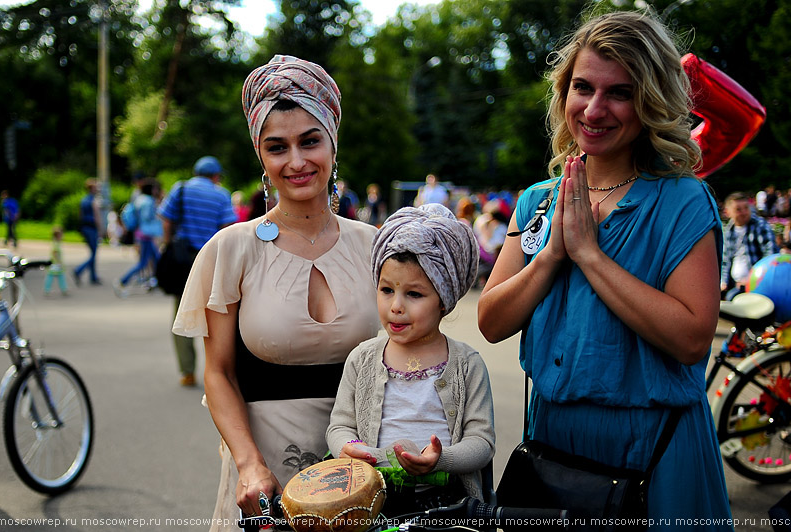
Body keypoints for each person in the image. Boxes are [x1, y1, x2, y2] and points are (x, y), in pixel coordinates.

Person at [477, 9, 732, 529]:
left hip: (655, 453)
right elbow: (491, 321)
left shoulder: (682, 201)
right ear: (563, 91)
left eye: (618, 92)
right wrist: (551, 256)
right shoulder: (537, 202)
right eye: (582, 87)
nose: (594, 109)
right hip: (554, 452)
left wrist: (591, 257)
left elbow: (691, 340)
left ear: (650, 101)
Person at [171, 55, 380, 529]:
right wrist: (248, 463)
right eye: (277, 147)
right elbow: (219, 373)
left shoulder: (374, 244)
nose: (297, 161)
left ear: (332, 142)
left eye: (310, 141)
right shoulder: (231, 249)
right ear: (261, 157)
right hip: (264, 478)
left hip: (364, 472)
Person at [327, 204, 494, 514]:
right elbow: (339, 426)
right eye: (387, 290)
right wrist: (349, 449)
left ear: (445, 300)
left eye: (414, 294)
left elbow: (482, 442)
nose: (396, 306)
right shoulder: (362, 359)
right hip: (370, 502)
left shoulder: (467, 365)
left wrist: (441, 459)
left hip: (444, 505)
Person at [158, 156, 237, 387]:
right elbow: (227, 228)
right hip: (210, 259)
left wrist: (167, 243)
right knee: (215, 313)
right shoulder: (221, 194)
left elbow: (166, 219)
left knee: (181, 312)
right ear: (216, 176)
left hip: (182, 260)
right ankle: (219, 371)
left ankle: (187, 371)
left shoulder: (180, 188)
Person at [721, 191, 778, 300]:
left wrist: (751, 279)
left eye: (746, 208)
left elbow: (770, 255)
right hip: (734, 284)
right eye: (738, 209)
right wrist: (723, 283)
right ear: (728, 212)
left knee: (732, 298)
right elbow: (725, 261)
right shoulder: (729, 231)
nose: (744, 212)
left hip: (759, 284)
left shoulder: (760, 225)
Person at [114, 179, 163, 296]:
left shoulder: (139, 199)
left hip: (141, 233)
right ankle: (123, 281)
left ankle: (154, 282)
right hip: (146, 234)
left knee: (156, 259)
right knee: (143, 262)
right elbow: (147, 217)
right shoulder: (149, 201)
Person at [73, 178, 103, 286]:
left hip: (85, 228)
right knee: (94, 254)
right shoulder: (94, 201)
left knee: (93, 252)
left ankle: (93, 276)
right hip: (92, 228)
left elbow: (80, 215)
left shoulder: (84, 200)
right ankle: (79, 270)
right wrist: (100, 229)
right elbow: (97, 216)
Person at [44, 225, 68, 296]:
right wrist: (58, 261)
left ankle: (63, 289)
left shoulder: (56, 243)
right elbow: (55, 253)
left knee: (56, 276)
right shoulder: (56, 244)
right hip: (55, 264)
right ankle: (63, 289)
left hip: (55, 264)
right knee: (56, 276)